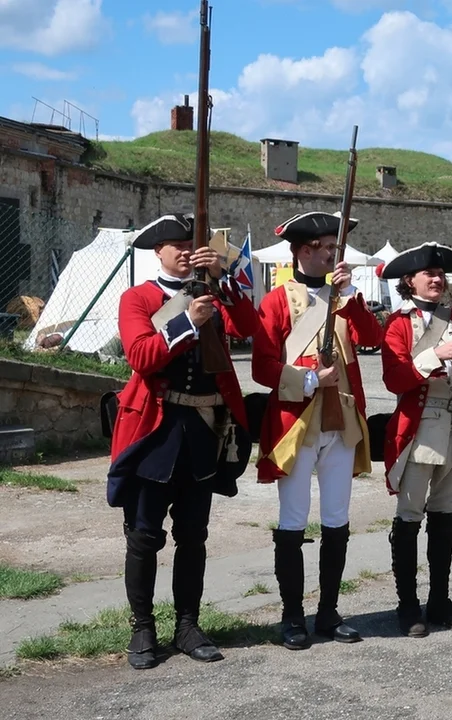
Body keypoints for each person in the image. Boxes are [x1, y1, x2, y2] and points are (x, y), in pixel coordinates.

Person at [106, 212, 258, 669]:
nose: (187, 250)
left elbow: (248, 327)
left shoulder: (214, 291)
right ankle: (143, 628)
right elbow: (140, 355)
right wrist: (187, 322)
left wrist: (223, 277)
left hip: (203, 430)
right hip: (157, 428)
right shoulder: (139, 298)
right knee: (145, 536)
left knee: (194, 535)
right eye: (177, 243)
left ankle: (188, 625)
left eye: (193, 243)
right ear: (159, 251)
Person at [252, 211, 383, 650]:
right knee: (292, 521)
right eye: (328, 248)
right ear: (304, 251)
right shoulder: (275, 301)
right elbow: (262, 367)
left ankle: (327, 612)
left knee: (337, 520)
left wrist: (348, 293)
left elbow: (371, 338)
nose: (334, 255)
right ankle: (292, 617)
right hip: (296, 423)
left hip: (340, 420)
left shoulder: (343, 297)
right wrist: (310, 379)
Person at [380, 242, 452, 637]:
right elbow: (395, 378)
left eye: (439, 274)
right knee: (410, 517)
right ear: (408, 281)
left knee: (445, 516)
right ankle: (408, 604)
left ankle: (440, 601)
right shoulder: (400, 323)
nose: (435, 279)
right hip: (421, 427)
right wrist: (437, 352)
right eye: (426, 273)